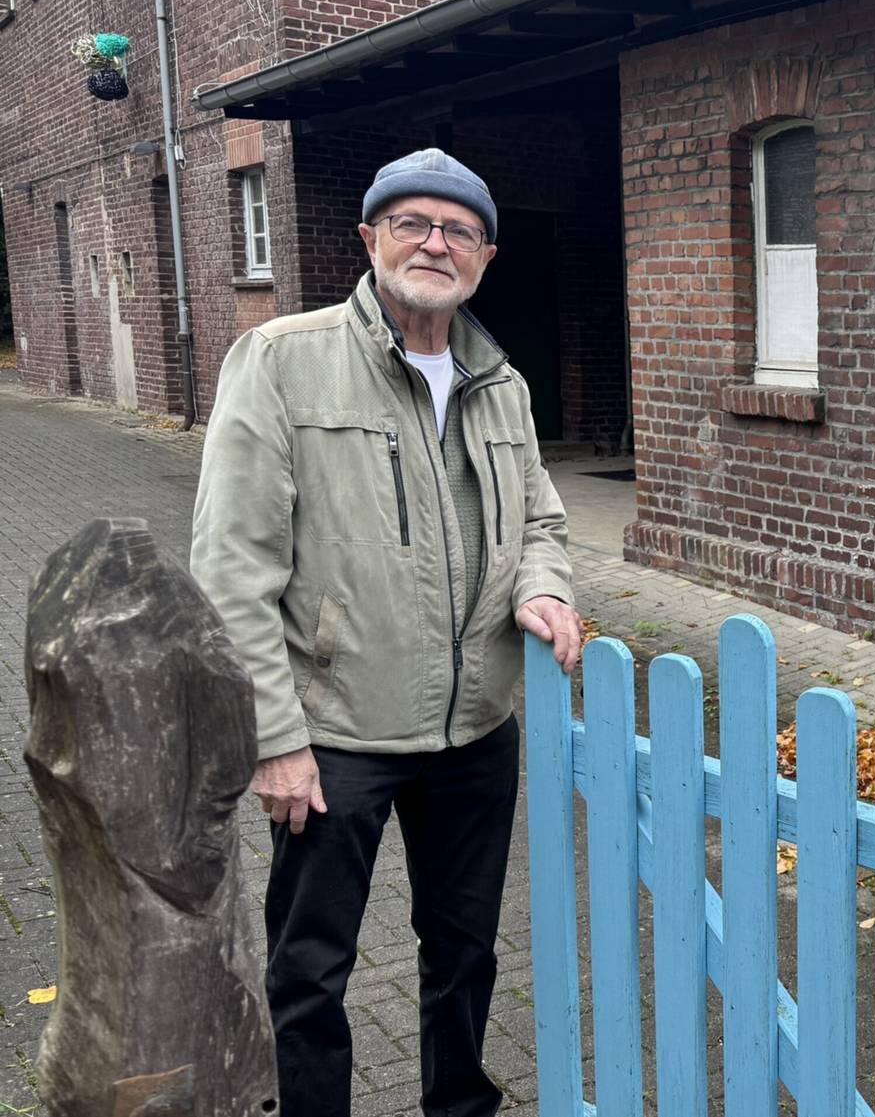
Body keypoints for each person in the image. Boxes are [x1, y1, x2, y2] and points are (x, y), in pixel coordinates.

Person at [191, 148, 583, 1117]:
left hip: (475, 732)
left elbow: (541, 520)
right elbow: (232, 566)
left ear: (485, 256)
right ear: (368, 239)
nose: (433, 242)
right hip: (333, 733)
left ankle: (460, 1104)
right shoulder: (284, 359)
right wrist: (273, 737)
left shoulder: (505, 384)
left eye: (457, 229)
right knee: (312, 969)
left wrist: (544, 587)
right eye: (410, 221)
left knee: (466, 951)